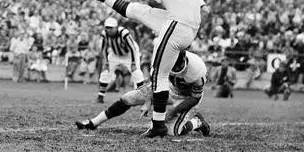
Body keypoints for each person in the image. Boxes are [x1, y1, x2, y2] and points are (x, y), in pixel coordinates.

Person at [86, 0, 206, 138]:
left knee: (158, 74)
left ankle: (158, 124)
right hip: (187, 24)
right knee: (142, 12)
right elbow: (203, 8)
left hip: (178, 24)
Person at [75, 48, 211, 138]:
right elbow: (156, 84)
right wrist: (148, 101)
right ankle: (94, 122)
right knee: (128, 98)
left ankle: (197, 122)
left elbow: (194, 98)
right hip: (168, 87)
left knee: (172, 132)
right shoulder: (160, 60)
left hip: (187, 97)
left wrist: (174, 111)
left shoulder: (197, 68)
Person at [96, 16, 143, 102]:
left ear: (116, 27)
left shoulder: (124, 33)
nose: (109, 29)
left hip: (129, 53)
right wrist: (106, 62)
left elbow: (133, 48)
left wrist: (133, 63)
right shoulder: (104, 34)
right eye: (107, 27)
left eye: (111, 27)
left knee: (137, 72)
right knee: (105, 72)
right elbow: (103, 49)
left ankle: (141, 96)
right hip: (115, 54)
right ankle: (100, 96)